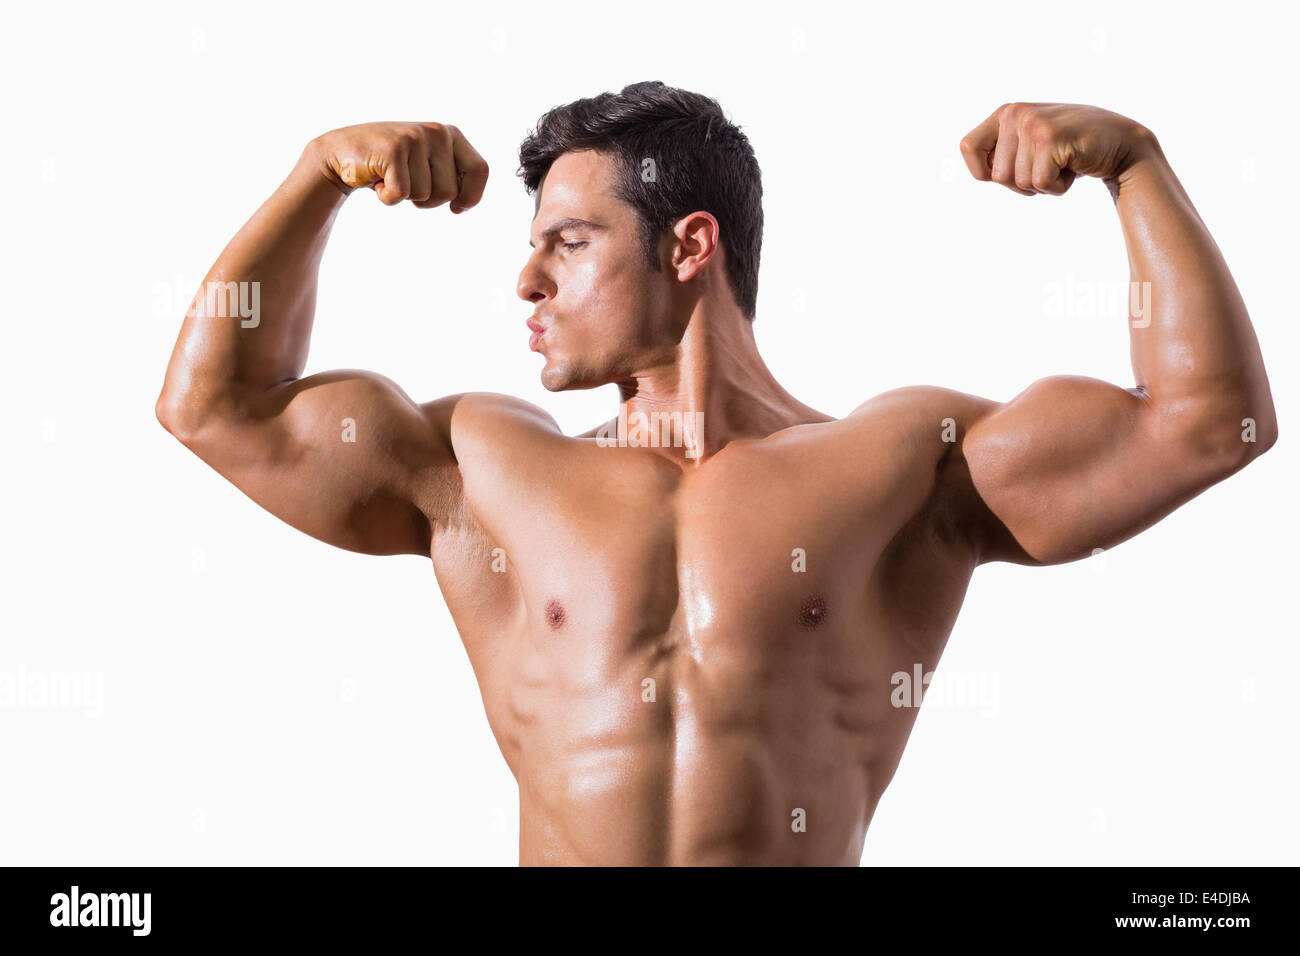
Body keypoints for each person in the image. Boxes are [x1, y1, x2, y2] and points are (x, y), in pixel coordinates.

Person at [156, 82, 1277, 865]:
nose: (524, 282)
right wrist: (318, 177)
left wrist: (1132, 163)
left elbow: (1206, 422)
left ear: (689, 247)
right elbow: (213, 406)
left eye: (568, 242)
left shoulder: (897, 467)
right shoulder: (483, 465)